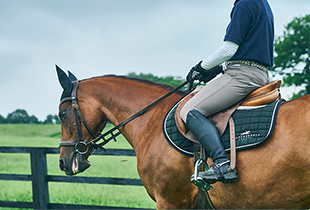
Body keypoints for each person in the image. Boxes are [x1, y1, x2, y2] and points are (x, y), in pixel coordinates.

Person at [180, 0, 274, 185]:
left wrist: (200, 67)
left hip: (242, 75)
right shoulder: (263, 4)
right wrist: (218, 69)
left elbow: (229, 49)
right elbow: (251, 48)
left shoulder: (244, 4)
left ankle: (221, 163)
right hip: (261, 73)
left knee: (189, 110)